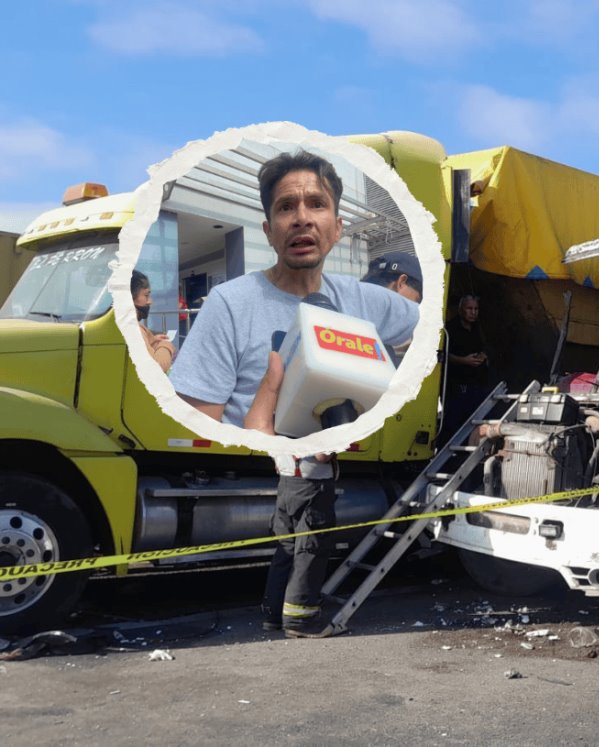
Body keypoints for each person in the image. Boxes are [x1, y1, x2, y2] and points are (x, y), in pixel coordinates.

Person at [169, 150, 419, 638]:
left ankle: (271, 611)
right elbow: (199, 415)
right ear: (268, 229)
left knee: (286, 543)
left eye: (315, 204)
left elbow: (423, 327)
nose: (302, 217)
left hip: (290, 474)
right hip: (309, 469)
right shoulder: (231, 303)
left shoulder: (363, 301)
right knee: (311, 544)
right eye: (286, 207)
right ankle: (303, 622)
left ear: (338, 226)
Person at [441, 294, 496, 441]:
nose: (473, 312)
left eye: (476, 309)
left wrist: (484, 355)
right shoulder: (450, 329)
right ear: (461, 310)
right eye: (469, 308)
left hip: (478, 384)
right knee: (453, 424)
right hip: (458, 386)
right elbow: (443, 354)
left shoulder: (480, 328)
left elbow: (490, 346)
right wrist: (463, 361)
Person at [131, 270, 175, 372]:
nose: (150, 301)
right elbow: (156, 368)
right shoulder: (133, 328)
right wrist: (165, 345)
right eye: (146, 295)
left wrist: (152, 340)